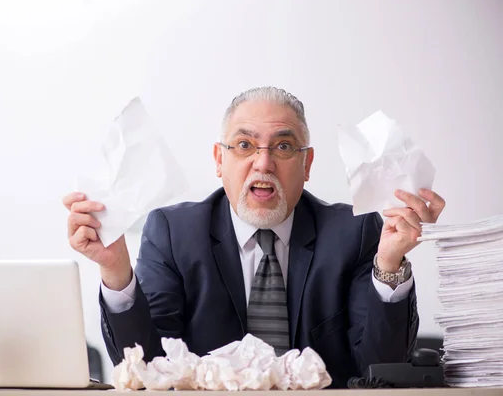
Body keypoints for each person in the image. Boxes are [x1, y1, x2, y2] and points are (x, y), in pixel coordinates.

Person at [63, 86, 446, 388]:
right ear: (219, 160)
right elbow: (146, 368)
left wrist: (390, 263)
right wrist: (115, 270)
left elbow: (380, 371)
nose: (263, 163)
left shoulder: (354, 232)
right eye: (244, 145)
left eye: (282, 146)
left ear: (306, 164)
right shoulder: (174, 234)